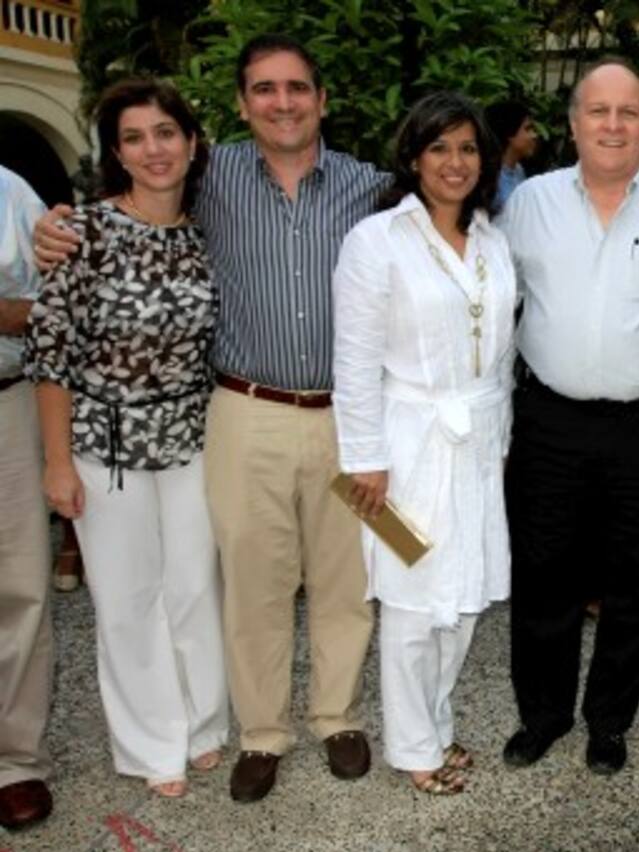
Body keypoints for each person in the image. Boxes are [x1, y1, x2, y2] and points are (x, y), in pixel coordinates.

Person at [33, 33, 391, 803]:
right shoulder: (214, 172)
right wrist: (53, 226)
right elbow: (72, 307)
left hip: (346, 418)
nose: (282, 102)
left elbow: (449, 197)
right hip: (243, 411)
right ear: (239, 106)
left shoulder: (372, 187)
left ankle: (337, 715)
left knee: (343, 578)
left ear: (322, 100)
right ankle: (260, 731)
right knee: (249, 582)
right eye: (264, 89)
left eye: (297, 87)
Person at [498, 58, 639, 776]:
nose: (613, 125)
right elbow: (497, 303)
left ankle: (608, 721)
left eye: (629, 112)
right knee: (542, 572)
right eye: (598, 111)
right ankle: (544, 714)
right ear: (573, 123)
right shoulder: (529, 204)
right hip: (548, 419)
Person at [25, 79, 228, 799]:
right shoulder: (82, 233)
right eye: (135, 137)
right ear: (117, 152)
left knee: (196, 587)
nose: (154, 149)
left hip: (193, 438)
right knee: (127, 597)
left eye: (166, 132)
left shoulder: (210, 230)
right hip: (104, 446)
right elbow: (50, 355)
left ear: (192, 141)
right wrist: (56, 463)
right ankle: (152, 745)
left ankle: (203, 724)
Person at [332, 92, 515, 795]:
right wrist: (362, 464)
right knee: (410, 599)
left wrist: (499, 440)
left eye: (468, 148)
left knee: (463, 596)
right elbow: (352, 360)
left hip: (475, 449)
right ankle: (413, 748)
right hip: (399, 453)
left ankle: (436, 725)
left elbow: (500, 357)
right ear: (412, 156)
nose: (454, 162)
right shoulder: (375, 240)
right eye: (439, 147)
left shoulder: (495, 242)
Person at [0, 165, 54, 829]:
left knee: (20, 588)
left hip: (7, 403)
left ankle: (15, 761)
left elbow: (51, 302)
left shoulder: (10, 192)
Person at [485, 99, 537, 210]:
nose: (534, 135)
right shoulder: (491, 178)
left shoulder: (518, 170)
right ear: (509, 133)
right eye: (527, 129)